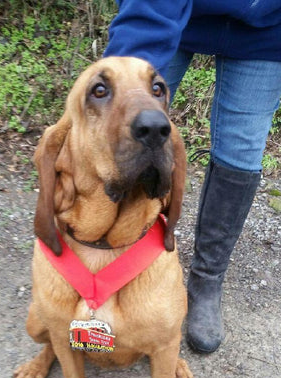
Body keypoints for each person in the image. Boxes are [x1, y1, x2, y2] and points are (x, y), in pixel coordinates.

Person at [103, 1, 281, 353]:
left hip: (267, 27)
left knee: (241, 151)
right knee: (124, 127)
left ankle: (207, 280)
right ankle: (110, 263)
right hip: (168, 10)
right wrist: (115, 87)